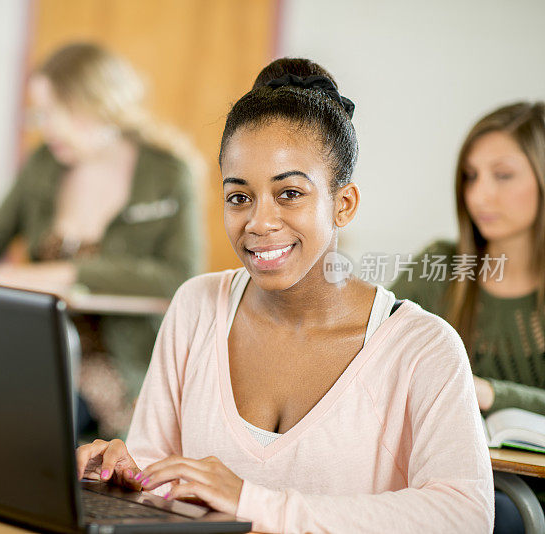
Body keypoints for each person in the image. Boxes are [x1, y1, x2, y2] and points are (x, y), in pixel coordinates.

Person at [75, 58, 493, 533]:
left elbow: (465, 516)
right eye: (239, 197)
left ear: (343, 204)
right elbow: (158, 472)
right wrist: (119, 476)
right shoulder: (197, 305)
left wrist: (251, 502)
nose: (259, 222)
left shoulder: (422, 347)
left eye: (289, 193)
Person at [0, 43, 203, 437]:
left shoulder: (167, 173)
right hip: (32, 351)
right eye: (38, 114)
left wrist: (63, 274)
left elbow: (180, 277)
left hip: (115, 366)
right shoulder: (43, 164)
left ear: (99, 104)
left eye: (54, 113)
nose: (44, 127)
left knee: (18, 420)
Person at [391, 102, 545, 533]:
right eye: (471, 177)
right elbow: (368, 353)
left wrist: (488, 392)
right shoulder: (439, 265)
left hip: (525, 501)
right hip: (431, 481)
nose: (479, 195)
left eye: (503, 175)